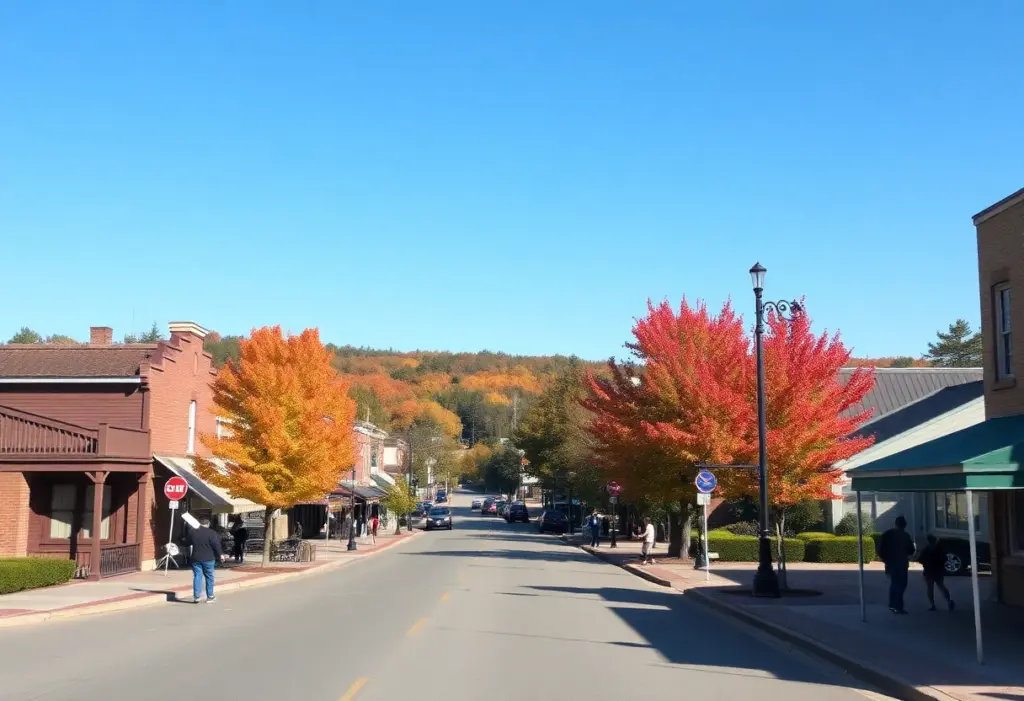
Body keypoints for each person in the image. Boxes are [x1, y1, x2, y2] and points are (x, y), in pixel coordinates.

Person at [876, 515, 916, 614]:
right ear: (904, 525)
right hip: (901, 563)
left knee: (894, 583)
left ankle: (893, 604)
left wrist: (885, 559)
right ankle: (898, 606)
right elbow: (911, 550)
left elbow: (880, 548)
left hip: (891, 563)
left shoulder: (887, 534)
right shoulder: (905, 535)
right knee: (901, 584)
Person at [188, 517, 224, 604]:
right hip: (208, 558)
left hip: (196, 558)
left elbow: (187, 542)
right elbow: (216, 545)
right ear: (208, 524)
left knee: (197, 576)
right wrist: (221, 554)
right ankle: (210, 596)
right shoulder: (211, 533)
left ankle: (196, 596)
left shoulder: (193, 532)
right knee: (209, 577)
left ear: (200, 523)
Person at [919, 534, 955, 611]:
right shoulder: (940, 549)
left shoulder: (926, 550)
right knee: (941, 586)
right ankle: (948, 600)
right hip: (938, 571)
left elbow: (920, 559)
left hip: (929, 571)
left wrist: (926, 564)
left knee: (930, 588)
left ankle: (933, 605)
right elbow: (945, 559)